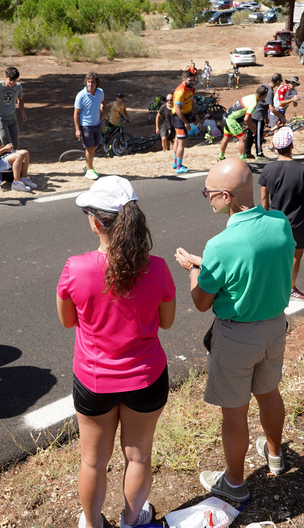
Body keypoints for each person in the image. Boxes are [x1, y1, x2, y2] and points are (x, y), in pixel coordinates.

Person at [56, 177, 175, 528]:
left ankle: (93, 524)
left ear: (96, 222)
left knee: (92, 461)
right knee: (138, 456)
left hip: (93, 379)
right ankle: (132, 519)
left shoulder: (75, 268)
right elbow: (166, 322)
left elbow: (67, 322)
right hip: (146, 377)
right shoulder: (159, 268)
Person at [174, 158, 294, 501]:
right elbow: (256, 261)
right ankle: (275, 456)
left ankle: (236, 484)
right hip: (274, 327)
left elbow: (201, 301)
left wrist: (193, 270)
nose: (207, 197)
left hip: (236, 335)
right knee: (269, 394)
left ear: (226, 197)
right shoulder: (280, 222)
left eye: (208, 193)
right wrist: (208, 262)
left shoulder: (220, 245)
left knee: (235, 412)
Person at [259, 127, 304, 299]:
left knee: (275, 255)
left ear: (275, 148)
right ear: (292, 145)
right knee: (296, 255)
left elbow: (263, 198)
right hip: (296, 221)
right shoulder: (302, 169)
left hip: (274, 221)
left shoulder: (267, 170)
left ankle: (272, 286)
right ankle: (290, 288)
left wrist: (265, 216)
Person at [217, 85, 263, 161]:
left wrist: (252, 124)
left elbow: (247, 115)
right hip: (231, 119)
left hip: (226, 116)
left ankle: (221, 157)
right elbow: (246, 119)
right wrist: (253, 129)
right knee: (243, 138)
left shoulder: (251, 96)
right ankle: (243, 161)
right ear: (264, 95)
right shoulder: (254, 103)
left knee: (226, 137)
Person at [74, 72, 106, 180]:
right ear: (86, 82)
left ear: (97, 83)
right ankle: (89, 170)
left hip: (97, 124)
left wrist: (103, 114)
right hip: (86, 125)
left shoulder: (100, 92)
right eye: (88, 82)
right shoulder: (81, 95)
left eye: (92, 82)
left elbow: (102, 103)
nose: (90, 84)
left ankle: (88, 164)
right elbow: (76, 113)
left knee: (95, 146)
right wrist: (77, 129)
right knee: (89, 148)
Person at [247, 78, 286, 160]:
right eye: (280, 80)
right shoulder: (270, 91)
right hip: (258, 115)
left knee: (250, 133)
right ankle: (259, 153)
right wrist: (281, 117)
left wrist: (266, 116)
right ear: (278, 81)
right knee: (258, 134)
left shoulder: (265, 85)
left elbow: (264, 103)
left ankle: (247, 152)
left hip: (256, 112)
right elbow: (271, 108)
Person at [171, 69, 197, 173]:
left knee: (178, 139)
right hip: (179, 117)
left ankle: (175, 162)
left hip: (185, 115)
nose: (192, 82)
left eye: (193, 80)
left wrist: (196, 114)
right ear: (184, 80)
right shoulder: (180, 92)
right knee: (182, 142)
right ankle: (179, 166)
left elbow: (192, 101)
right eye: (190, 80)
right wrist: (186, 123)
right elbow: (177, 110)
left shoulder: (190, 88)